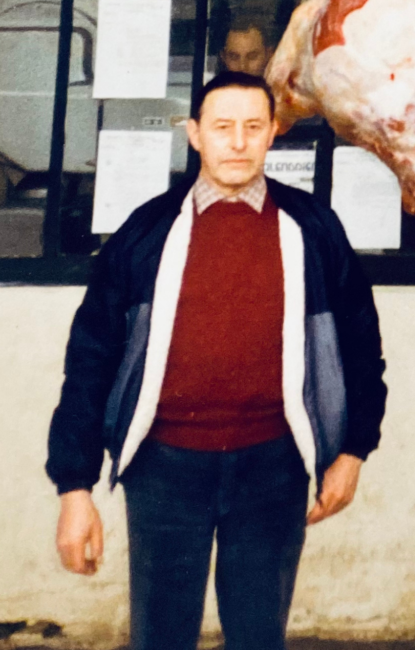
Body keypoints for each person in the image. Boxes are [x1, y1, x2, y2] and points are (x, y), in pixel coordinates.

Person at [46, 71, 387, 650]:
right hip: (164, 468)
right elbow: (90, 361)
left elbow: (360, 349)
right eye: (222, 127)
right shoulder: (146, 233)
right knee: (161, 636)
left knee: (258, 635)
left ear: (273, 134)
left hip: (273, 467)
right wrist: (74, 487)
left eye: (252, 127)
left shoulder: (311, 230)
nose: (237, 141)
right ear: (195, 134)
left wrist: (353, 449)